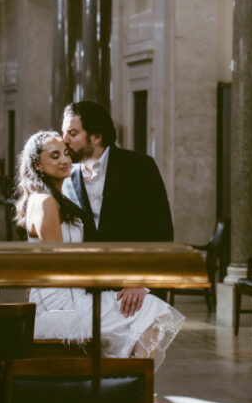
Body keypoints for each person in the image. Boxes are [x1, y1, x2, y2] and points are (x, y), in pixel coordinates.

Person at [14, 130, 184, 366]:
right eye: (54, 156)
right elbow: (60, 263)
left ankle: (132, 384)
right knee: (152, 310)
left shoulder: (52, 197)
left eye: (65, 153)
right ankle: (136, 387)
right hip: (60, 304)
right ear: (37, 165)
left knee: (145, 307)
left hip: (68, 294)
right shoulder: (46, 202)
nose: (64, 160)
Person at [62, 99, 174, 317]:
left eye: (72, 133)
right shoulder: (67, 175)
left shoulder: (140, 167)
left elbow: (161, 230)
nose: (64, 140)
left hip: (134, 290)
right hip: (89, 292)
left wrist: (140, 282)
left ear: (96, 137)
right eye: (63, 132)